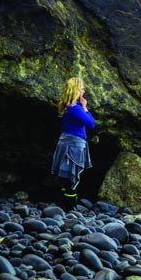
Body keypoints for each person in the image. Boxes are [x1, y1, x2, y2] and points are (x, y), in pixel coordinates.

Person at [50, 77, 95, 210]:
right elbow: (91, 124)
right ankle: (70, 207)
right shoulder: (76, 108)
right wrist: (86, 108)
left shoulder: (67, 105)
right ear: (76, 90)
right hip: (74, 144)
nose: (83, 91)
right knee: (72, 176)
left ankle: (64, 204)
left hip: (65, 141)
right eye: (81, 88)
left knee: (65, 175)